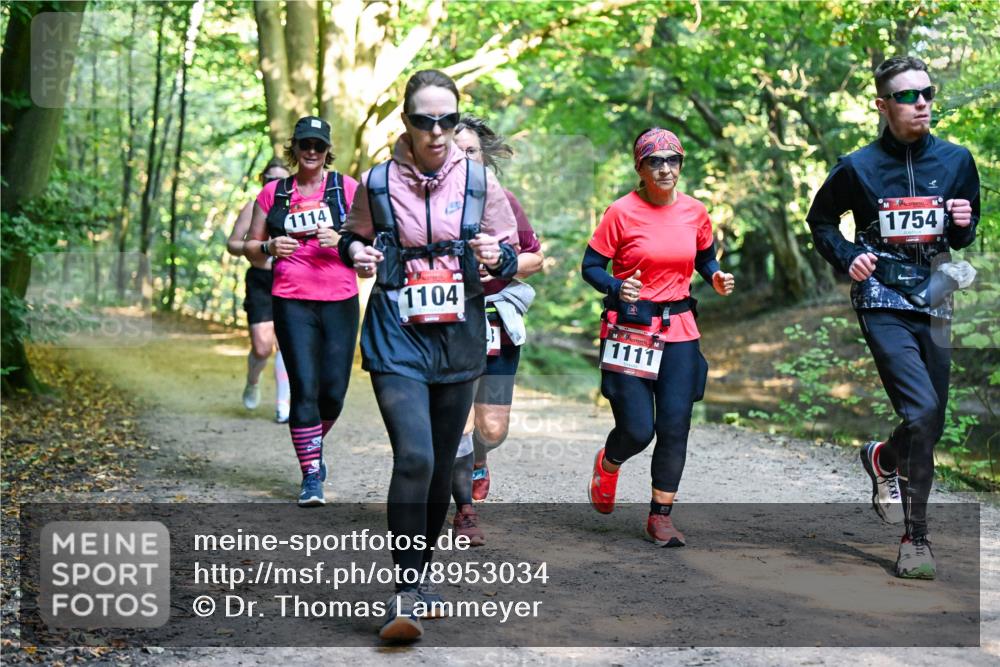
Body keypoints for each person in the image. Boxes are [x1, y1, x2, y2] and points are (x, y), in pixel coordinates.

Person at [338, 70, 519, 642]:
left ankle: (422, 574)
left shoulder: (479, 181)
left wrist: (496, 256)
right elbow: (351, 237)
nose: (436, 131)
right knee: (414, 457)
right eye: (424, 120)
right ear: (407, 122)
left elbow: (512, 253)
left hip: (459, 333)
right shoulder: (377, 181)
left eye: (447, 119)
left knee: (442, 464)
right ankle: (406, 591)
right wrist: (358, 253)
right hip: (397, 331)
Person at [807, 56, 980, 580]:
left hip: (936, 296)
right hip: (881, 298)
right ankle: (916, 539)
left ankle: (884, 457)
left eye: (927, 93)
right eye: (907, 96)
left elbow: (962, 235)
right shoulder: (857, 167)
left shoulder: (956, 160)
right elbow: (821, 221)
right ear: (882, 105)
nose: (921, 103)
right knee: (921, 410)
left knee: (932, 421)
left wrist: (963, 222)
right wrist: (847, 256)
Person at [583, 127, 734, 547]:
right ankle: (609, 463)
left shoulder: (695, 211)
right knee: (637, 429)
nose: (665, 168)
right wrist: (617, 286)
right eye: (655, 161)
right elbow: (591, 266)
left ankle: (660, 517)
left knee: (674, 425)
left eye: (673, 160)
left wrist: (715, 276)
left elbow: (705, 257)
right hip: (631, 329)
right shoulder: (621, 212)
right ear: (641, 167)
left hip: (679, 330)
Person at [245, 116, 359, 507]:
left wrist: (341, 239)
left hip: (340, 299)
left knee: (334, 394)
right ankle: (311, 475)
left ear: (328, 151)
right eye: (305, 144)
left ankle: (312, 443)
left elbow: (372, 238)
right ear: (293, 148)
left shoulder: (347, 188)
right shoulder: (273, 194)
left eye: (318, 145)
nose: (311, 151)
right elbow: (250, 246)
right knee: (304, 387)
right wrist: (268, 248)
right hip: (291, 298)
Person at [448, 115, 544, 546]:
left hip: (495, 319)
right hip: (450, 320)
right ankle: (464, 510)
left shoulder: (503, 200)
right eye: (455, 152)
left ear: (484, 157)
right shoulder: (429, 204)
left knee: (491, 429)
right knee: (458, 421)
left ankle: (479, 458)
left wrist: (502, 264)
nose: (463, 159)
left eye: (470, 151)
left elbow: (534, 259)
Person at [226, 158, 292, 423]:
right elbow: (233, 244)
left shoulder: (297, 208)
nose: (273, 184)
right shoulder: (254, 206)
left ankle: (283, 404)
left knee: (287, 344)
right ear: (262, 180)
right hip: (261, 281)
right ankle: (252, 381)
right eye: (269, 179)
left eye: (280, 180)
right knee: (263, 347)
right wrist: (260, 248)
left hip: (290, 280)